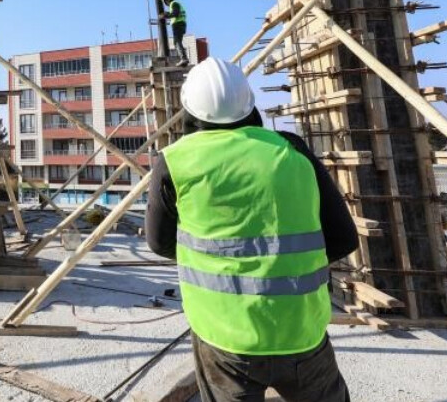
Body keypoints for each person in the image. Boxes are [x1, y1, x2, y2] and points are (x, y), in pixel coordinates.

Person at [145, 57, 358, 402]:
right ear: (250, 104)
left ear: (188, 111)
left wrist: (217, 261)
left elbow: (159, 243)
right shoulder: (292, 150)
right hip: (300, 327)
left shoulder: (175, 162)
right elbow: (343, 238)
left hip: (225, 334)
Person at [162, 0, 189, 66]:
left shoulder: (173, 4)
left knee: (177, 42)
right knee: (177, 42)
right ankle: (184, 59)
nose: (166, 4)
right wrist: (168, 14)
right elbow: (175, 13)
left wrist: (166, 16)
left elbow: (175, 14)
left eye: (165, 2)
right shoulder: (175, 4)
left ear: (167, 0)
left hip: (178, 24)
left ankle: (183, 58)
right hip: (181, 24)